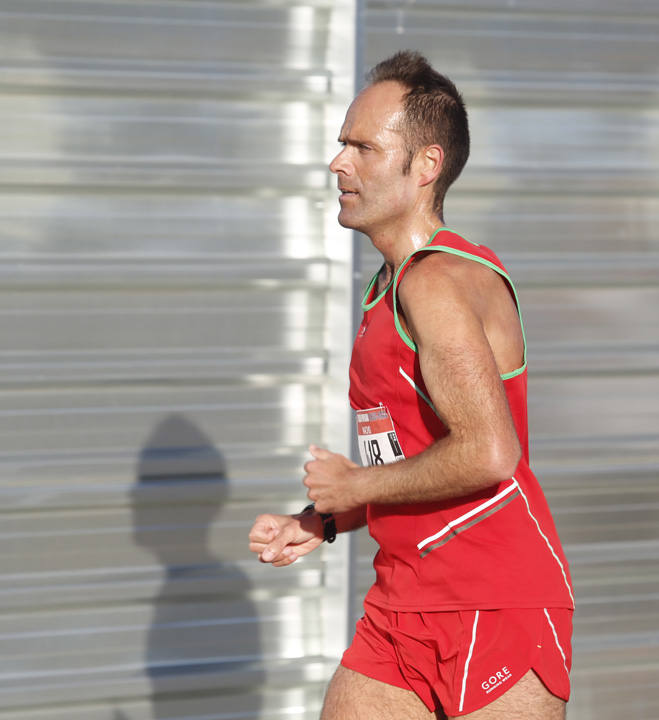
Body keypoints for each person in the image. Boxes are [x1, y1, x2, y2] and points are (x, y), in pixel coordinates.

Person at [248, 50, 575, 720]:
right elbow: (411, 458)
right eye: (341, 145)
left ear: (425, 166)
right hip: (401, 605)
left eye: (363, 147)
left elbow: (488, 453)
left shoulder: (438, 282)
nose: (339, 163)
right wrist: (325, 519)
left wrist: (355, 487)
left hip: (493, 603)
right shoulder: (386, 290)